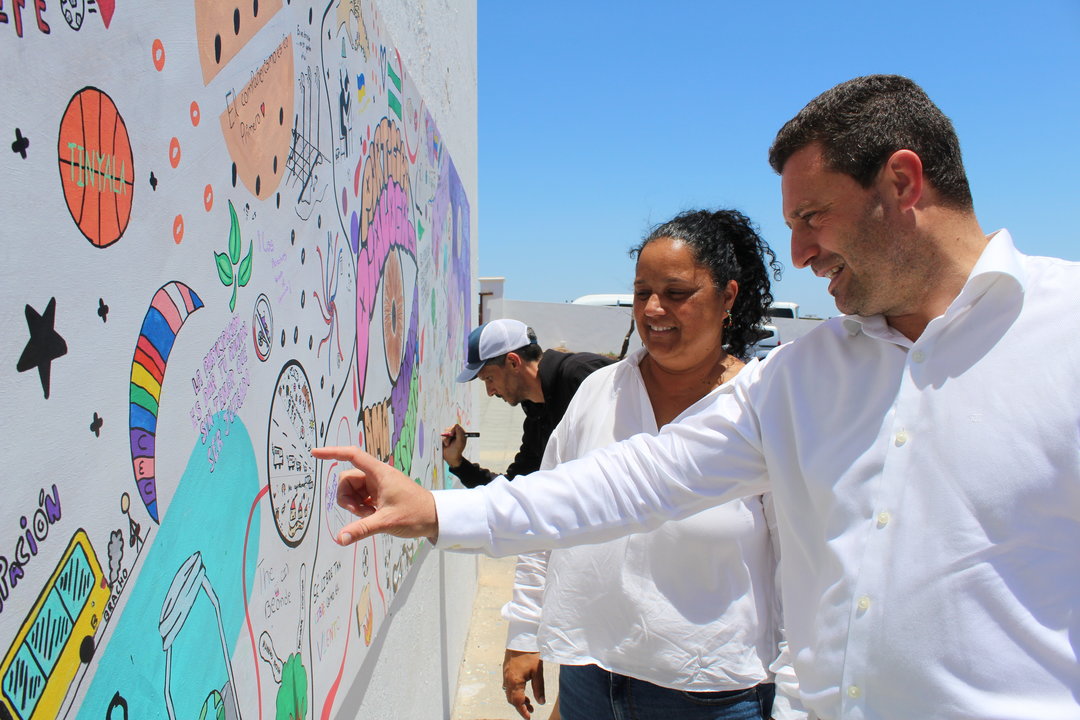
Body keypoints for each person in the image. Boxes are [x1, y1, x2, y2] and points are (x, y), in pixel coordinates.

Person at [315, 74, 1080, 719]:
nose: (802, 252)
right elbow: (633, 481)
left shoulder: (1065, 333)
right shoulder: (804, 377)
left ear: (904, 182)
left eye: (813, 217)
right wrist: (438, 511)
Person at [501, 209, 801, 720]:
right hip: (589, 679)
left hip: (714, 694)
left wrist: (794, 698)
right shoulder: (600, 392)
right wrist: (525, 631)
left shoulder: (764, 407)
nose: (654, 308)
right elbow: (548, 515)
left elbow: (800, 568)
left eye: (677, 292)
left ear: (728, 297)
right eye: (642, 292)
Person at [441, 318, 613, 488]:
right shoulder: (536, 417)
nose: (489, 391)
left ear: (513, 362)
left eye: (489, 378)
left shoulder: (582, 374)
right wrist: (458, 463)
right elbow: (514, 491)